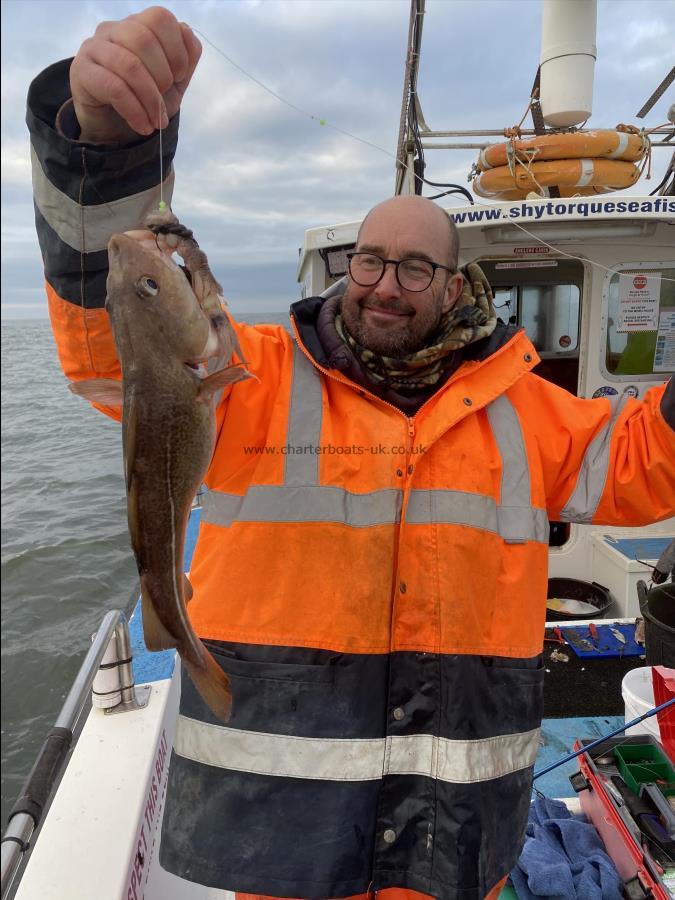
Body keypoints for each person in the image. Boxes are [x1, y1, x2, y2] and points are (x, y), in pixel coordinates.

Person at [27, 8, 675, 900]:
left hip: (451, 845)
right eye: (369, 259)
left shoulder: (525, 408)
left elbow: (642, 465)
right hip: (276, 841)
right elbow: (111, 350)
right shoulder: (248, 374)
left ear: (454, 286)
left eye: (415, 268)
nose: (384, 284)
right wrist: (104, 155)